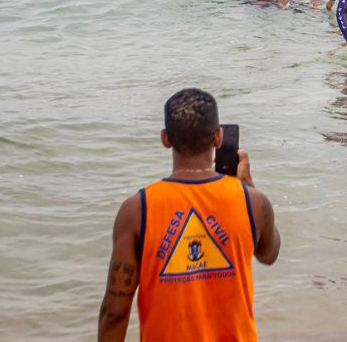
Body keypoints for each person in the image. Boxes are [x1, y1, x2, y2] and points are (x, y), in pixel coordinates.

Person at [98, 88, 281, 342]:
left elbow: (115, 312)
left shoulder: (136, 209)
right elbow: (269, 254)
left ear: (165, 139)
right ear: (218, 138)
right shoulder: (253, 201)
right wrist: (249, 186)